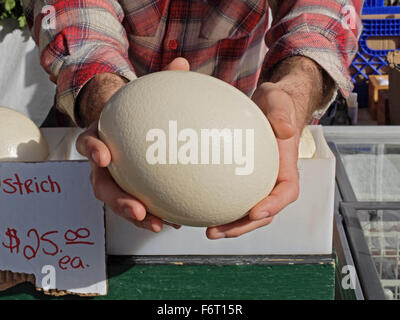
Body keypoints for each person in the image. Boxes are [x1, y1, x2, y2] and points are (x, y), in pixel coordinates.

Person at [23, 0, 362, 239]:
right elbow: (77, 10)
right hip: (94, 141)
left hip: (230, 145)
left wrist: (294, 91)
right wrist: (110, 110)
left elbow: (322, 10)